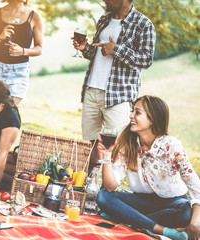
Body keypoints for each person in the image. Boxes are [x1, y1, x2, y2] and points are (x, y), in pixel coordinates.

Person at [96, 95, 199, 240]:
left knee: (186, 213)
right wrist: (106, 157)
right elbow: (110, 187)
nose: (131, 115)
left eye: (137, 112)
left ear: (152, 119)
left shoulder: (171, 145)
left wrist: (195, 222)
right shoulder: (127, 144)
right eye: (132, 111)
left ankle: (127, 218)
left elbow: (194, 184)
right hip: (141, 202)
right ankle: (161, 230)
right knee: (103, 197)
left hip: (172, 202)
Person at [72, 0, 156, 174]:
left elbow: (146, 59)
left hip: (118, 95)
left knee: (118, 145)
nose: (104, 1)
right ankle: (90, 185)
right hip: (92, 89)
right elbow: (98, 54)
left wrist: (116, 49)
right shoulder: (104, 20)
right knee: (91, 142)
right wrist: (84, 48)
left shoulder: (144, 24)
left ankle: (109, 188)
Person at [0, 0, 43, 106]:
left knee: (8, 111)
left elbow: (39, 48)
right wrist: (1, 37)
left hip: (18, 71)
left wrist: (23, 51)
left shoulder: (34, 17)